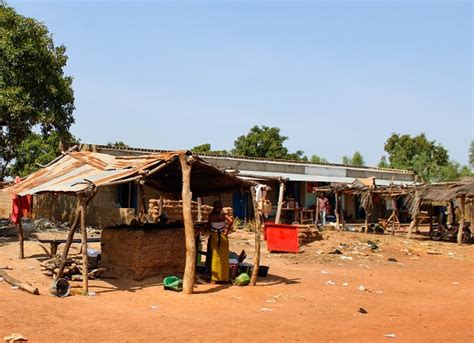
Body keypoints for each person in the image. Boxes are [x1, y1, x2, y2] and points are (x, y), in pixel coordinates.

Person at [207, 201, 233, 283]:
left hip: (215, 237)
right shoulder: (224, 215)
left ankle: (216, 279)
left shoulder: (211, 215)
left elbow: (209, 225)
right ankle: (225, 278)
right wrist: (227, 231)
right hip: (223, 236)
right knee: (224, 258)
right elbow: (231, 221)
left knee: (215, 257)